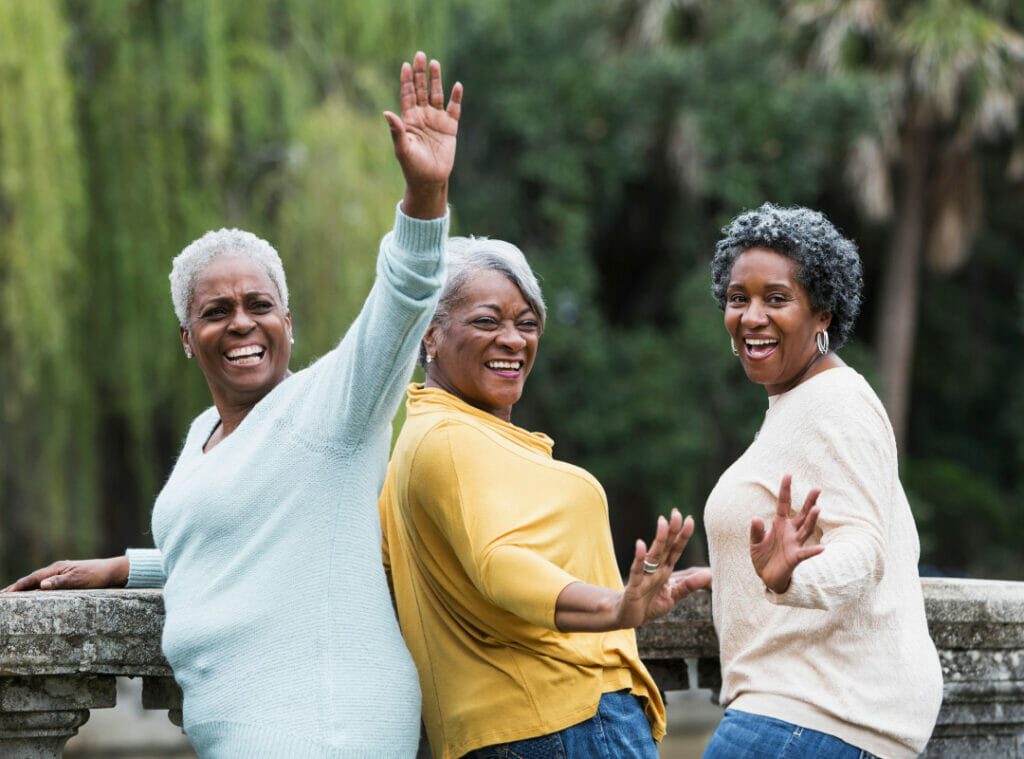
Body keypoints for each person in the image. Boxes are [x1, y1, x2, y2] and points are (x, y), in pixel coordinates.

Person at [4, 52, 461, 759]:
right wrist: (131, 567)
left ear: (288, 321)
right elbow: (234, 534)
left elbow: (401, 303)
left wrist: (425, 199)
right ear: (188, 338)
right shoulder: (202, 435)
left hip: (327, 728)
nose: (242, 322)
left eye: (260, 305)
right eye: (217, 310)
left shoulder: (330, 411)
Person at [378, 236, 713, 759]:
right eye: (487, 321)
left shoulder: (431, 441)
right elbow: (499, 563)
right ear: (430, 333)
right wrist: (614, 606)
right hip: (564, 723)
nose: (513, 339)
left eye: (527, 323)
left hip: (527, 729)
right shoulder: (447, 439)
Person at [700, 203, 943, 759]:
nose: (752, 316)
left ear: (824, 314)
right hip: (807, 718)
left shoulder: (836, 401)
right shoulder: (798, 404)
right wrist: (733, 570)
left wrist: (790, 581)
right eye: (739, 298)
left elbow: (862, 549)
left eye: (777, 298)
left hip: (808, 718)